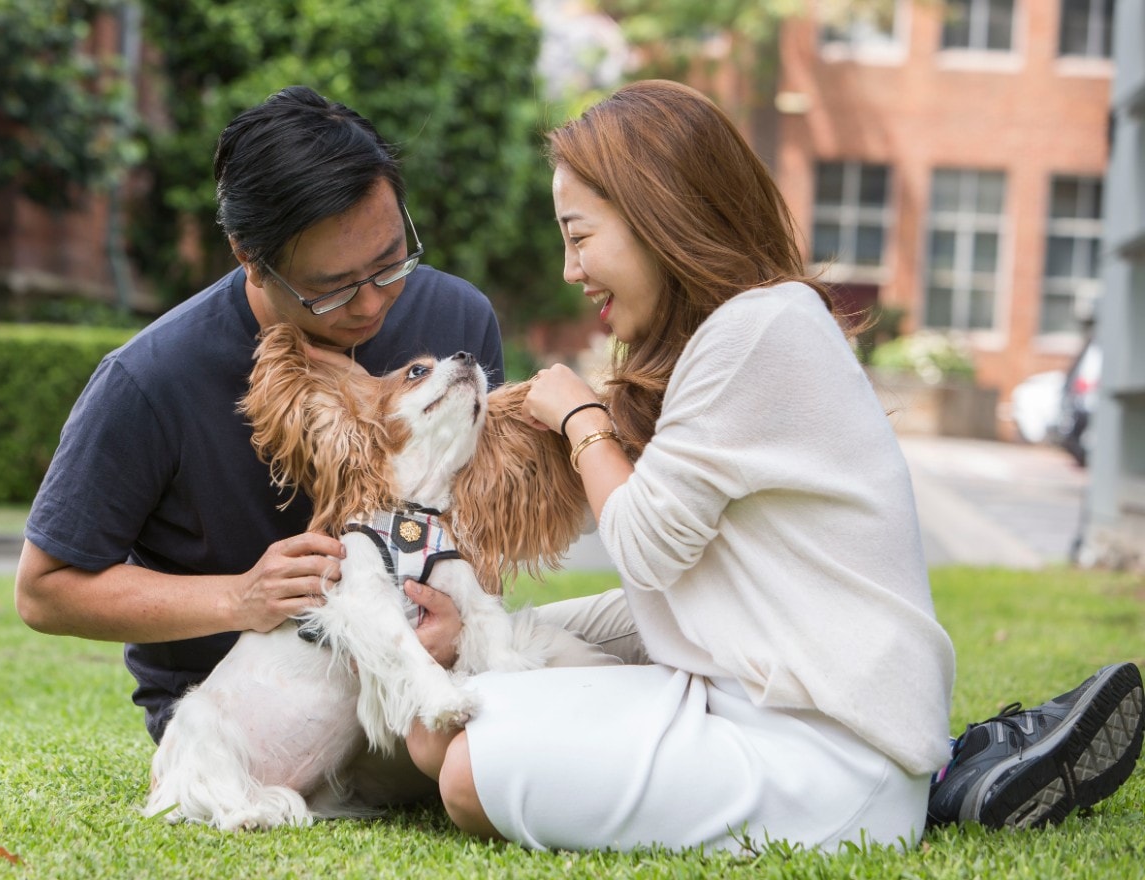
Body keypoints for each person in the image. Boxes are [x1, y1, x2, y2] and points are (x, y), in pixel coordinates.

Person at [404, 79, 1144, 851]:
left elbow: (647, 548)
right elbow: (691, 594)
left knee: (463, 774)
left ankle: (949, 781)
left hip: (821, 758)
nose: (569, 268)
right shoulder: (738, 332)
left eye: (580, 236)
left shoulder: (758, 330)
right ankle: (972, 770)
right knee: (440, 729)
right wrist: (489, 634)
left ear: (656, 214)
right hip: (737, 698)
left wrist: (582, 418)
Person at [13, 84, 641, 768]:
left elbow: (465, 536)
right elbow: (46, 590)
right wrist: (242, 598)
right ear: (248, 256)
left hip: (437, 680)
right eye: (334, 286)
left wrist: (457, 624)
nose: (372, 303)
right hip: (259, 726)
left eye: (391, 260)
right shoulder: (151, 380)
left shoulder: (455, 317)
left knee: (642, 643)